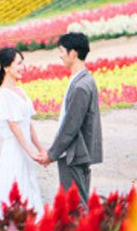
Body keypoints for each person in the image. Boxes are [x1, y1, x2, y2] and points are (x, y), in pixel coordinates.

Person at [36, 31, 102, 201]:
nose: (60, 56)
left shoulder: (80, 86)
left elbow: (70, 126)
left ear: (73, 53)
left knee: (75, 206)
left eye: (61, 51)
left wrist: (52, 154)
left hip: (74, 154)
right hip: (79, 153)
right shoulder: (84, 80)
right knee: (78, 202)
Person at [0, 45, 47, 210]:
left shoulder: (20, 90)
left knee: (28, 184)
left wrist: (40, 148)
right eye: (19, 63)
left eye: (23, 63)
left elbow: (28, 123)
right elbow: (13, 125)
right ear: (6, 68)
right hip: (15, 150)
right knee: (15, 184)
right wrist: (30, 152)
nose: (23, 67)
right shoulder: (5, 92)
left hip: (25, 147)